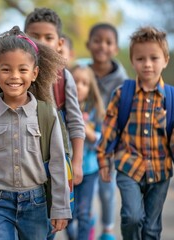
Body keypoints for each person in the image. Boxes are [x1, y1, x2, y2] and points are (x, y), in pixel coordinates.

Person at [0, 26, 71, 240]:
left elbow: (58, 162)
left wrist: (60, 207)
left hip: (36, 203)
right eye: (6, 69)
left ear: (34, 73)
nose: (14, 76)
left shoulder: (46, 114)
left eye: (22, 70)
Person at [97, 26, 172, 240]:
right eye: (140, 59)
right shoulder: (123, 94)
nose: (147, 64)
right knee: (132, 217)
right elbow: (109, 129)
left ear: (165, 60)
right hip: (128, 166)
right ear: (132, 61)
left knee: (151, 228)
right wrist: (104, 160)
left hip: (160, 171)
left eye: (153, 58)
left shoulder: (171, 98)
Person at [24, 7, 85, 188]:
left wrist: (77, 162)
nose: (41, 42)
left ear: (60, 43)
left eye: (48, 38)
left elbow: (75, 121)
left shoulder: (64, 78)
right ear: (23, 38)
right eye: (34, 36)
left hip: (55, 161)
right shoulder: (14, 76)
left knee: (57, 211)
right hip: (20, 161)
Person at [86, 22, 128, 240]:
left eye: (108, 42)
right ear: (88, 44)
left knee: (106, 185)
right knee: (85, 185)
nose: (102, 46)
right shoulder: (82, 72)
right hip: (83, 138)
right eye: (97, 40)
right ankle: (88, 223)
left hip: (108, 141)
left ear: (115, 49)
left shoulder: (123, 81)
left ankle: (108, 229)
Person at [66, 65, 105, 240]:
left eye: (84, 83)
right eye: (75, 82)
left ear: (90, 88)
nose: (79, 86)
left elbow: (101, 140)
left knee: (83, 212)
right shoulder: (62, 109)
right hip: (66, 170)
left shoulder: (95, 110)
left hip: (89, 170)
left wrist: (88, 132)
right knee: (67, 214)